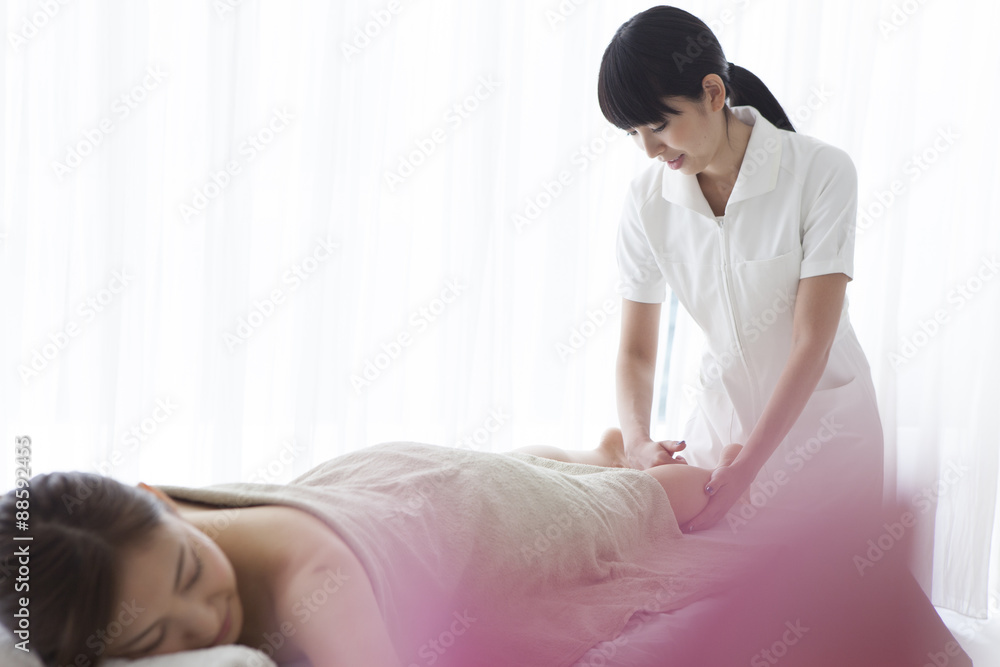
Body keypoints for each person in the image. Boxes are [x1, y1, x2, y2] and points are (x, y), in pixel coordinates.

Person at [0, 430, 745, 667]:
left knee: (666, 500)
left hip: (479, 518)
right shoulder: (118, 546)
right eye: (156, 638)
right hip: (375, 493)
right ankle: (580, 453)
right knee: (528, 465)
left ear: (161, 499)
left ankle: (610, 468)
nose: (205, 616)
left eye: (191, 571)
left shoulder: (316, 584)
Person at [599, 6, 884, 531]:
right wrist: (637, 440)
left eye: (659, 125)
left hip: (823, 437)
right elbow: (636, 351)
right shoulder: (646, 200)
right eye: (632, 132)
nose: (649, 149)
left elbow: (811, 341)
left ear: (713, 93)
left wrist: (751, 467)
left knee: (820, 580)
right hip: (719, 432)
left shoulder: (820, 172)